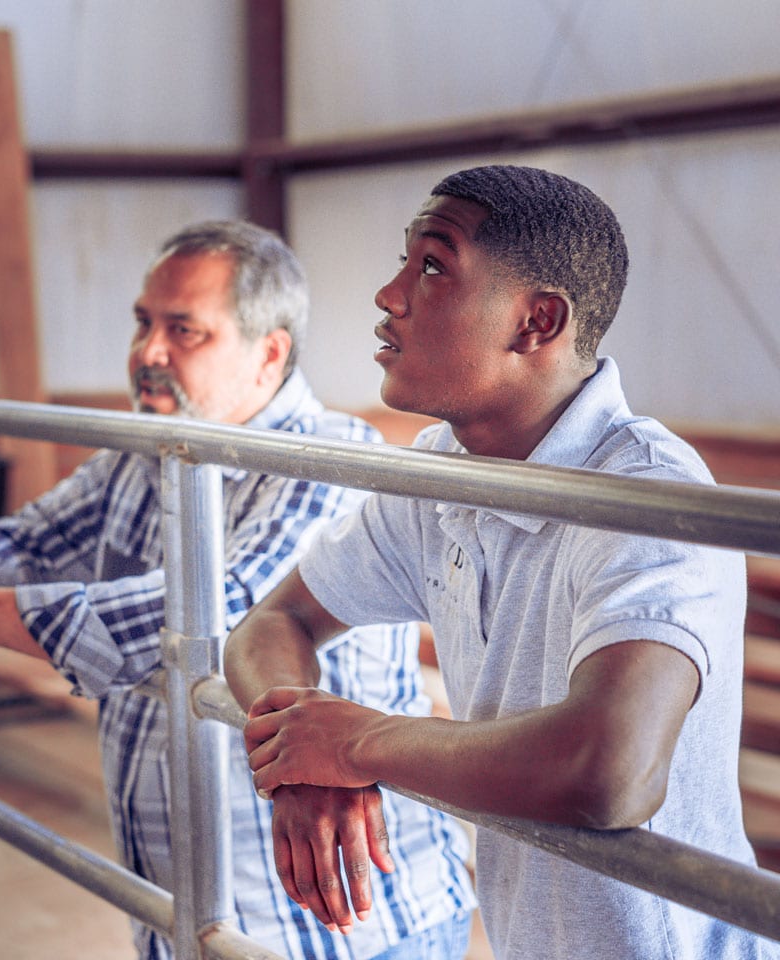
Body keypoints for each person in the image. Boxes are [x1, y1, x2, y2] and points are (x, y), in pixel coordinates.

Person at [224, 166, 779, 959]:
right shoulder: (444, 473)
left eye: (432, 266)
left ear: (536, 321)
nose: (389, 295)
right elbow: (274, 622)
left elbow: (610, 768)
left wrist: (355, 743)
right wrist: (301, 757)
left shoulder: (649, 498)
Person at [0, 221, 476, 960]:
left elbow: (191, 623)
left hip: (340, 926)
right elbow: (16, 546)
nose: (149, 352)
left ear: (269, 351)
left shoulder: (330, 462)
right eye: (145, 322)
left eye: (185, 330)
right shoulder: (148, 450)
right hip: (184, 909)